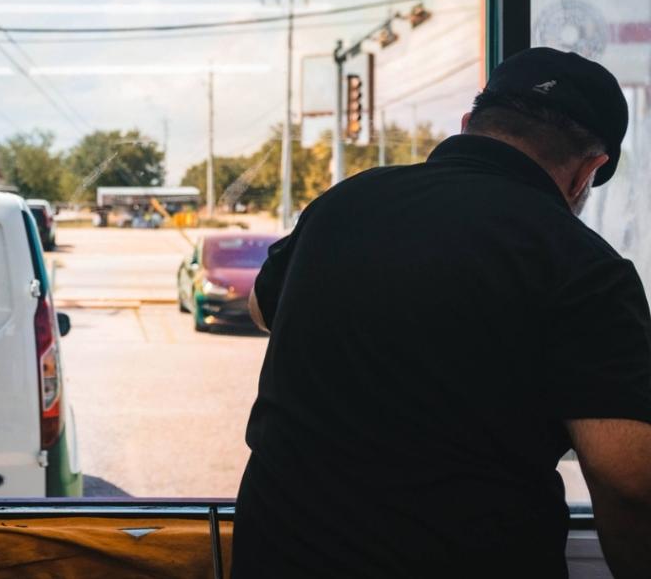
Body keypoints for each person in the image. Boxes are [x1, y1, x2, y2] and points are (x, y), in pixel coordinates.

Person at [232, 47, 651, 578]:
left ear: (469, 124)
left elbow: (260, 309)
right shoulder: (585, 267)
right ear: (587, 172)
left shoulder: (343, 205)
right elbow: (629, 482)